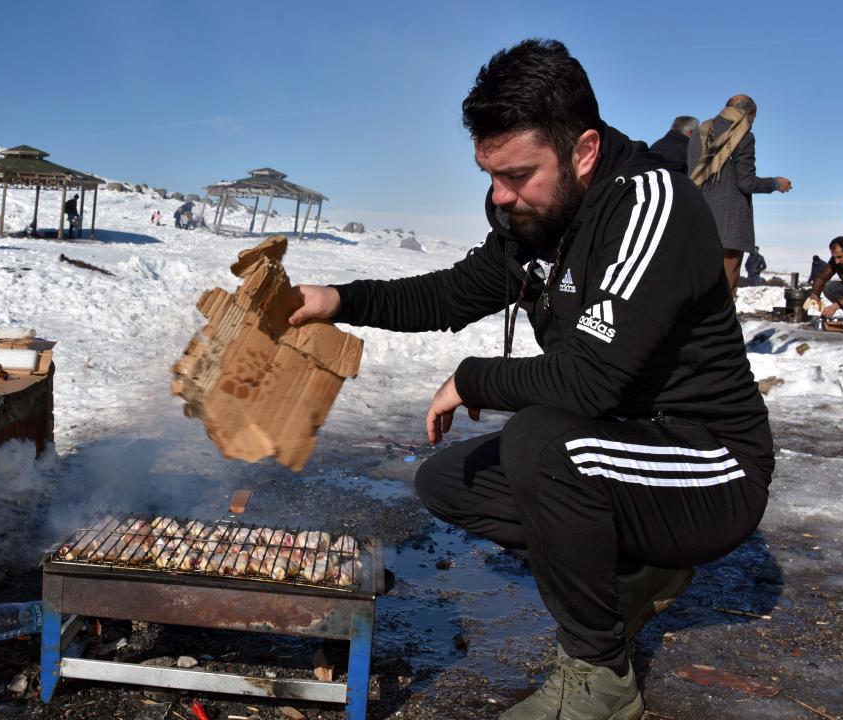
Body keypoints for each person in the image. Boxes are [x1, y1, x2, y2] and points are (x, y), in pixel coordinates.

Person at [291, 39, 771, 720]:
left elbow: (589, 380)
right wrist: (337, 301)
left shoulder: (647, 205)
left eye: (517, 174)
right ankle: (640, 571)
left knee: (541, 446)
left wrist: (474, 378)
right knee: (446, 481)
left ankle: (599, 681)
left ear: (583, 151)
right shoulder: (538, 219)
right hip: (621, 448)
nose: (500, 195)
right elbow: (455, 293)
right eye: (490, 175)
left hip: (709, 463)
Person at [687, 95, 792, 296]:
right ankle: (720, 326)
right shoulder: (742, 134)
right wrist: (775, 183)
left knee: (698, 282)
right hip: (730, 223)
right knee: (725, 286)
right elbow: (746, 182)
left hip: (698, 218)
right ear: (749, 114)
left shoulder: (699, 132)